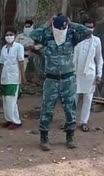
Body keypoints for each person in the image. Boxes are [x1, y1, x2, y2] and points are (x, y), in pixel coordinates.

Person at [30, 15, 92, 151]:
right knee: (47, 108)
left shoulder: (71, 36)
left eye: (64, 27)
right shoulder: (47, 36)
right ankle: (44, 138)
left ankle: (70, 137)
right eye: (59, 27)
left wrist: (72, 23)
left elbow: (88, 32)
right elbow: (33, 34)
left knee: (70, 108)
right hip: (51, 79)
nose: (61, 30)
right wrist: (47, 24)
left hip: (68, 78)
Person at [74, 19, 103, 132]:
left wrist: (99, 74)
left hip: (89, 74)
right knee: (73, 99)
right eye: (86, 26)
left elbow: (99, 59)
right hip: (75, 73)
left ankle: (83, 122)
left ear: (94, 28)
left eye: (91, 27)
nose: (88, 29)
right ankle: (70, 121)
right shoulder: (76, 39)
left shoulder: (96, 41)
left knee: (88, 99)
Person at [0, 28, 25, 130]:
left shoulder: (19, 47)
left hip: (14, 77)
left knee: (12, 100)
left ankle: (16, 121)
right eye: (7, 35)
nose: (8, 37)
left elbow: (21, 61)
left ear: (15, 36)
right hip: (4, 77)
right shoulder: (4, 48)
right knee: (5, 99)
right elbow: (2, 63)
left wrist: (23, 76)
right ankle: (9, 119)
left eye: (11, 34)